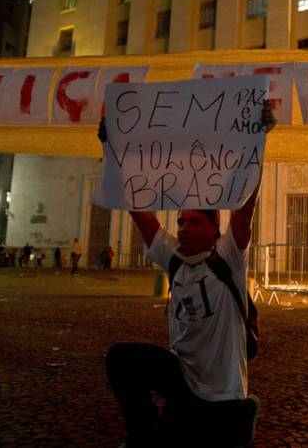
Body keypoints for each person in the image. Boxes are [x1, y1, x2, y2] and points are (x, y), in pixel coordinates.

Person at [101, 102, 274, 447]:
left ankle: (242, 413)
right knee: (120, 358)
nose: (183, 228)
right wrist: (112, 147)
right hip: (182, 379)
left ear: (214, 230)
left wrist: (258, 138)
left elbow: (245, 209)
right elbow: (139, 210)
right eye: (180, 222)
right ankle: (143, 435)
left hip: (222, 391)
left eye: (194, 222)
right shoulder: (174, 257)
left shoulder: (228, 258)